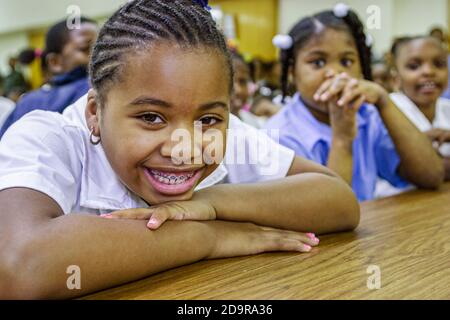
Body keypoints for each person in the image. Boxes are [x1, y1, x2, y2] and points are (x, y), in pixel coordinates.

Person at [0, 0, 359, 299]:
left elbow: (339, 200)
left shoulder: (222, 132)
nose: (184, 147)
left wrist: (208, 204)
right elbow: (19, 265)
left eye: (209, 119)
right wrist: (209, 236)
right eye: (152, 117)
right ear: (95, 112)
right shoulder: (46, 138)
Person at [265, 4, 444, 202]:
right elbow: (329, 215)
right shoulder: (280, 136)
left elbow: (431, 175)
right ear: (291, 72)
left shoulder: (367, 116)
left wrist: (383, 100)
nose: (335, 73)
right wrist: (342, 139)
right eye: (318, 62)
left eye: (347, 61)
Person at [0, 17, 98, 138]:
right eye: (86, 49)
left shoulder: (27, 101)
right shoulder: (92, 88)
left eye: (104, 47)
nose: (100, 55)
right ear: (55, 62)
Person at [389, 36, 450, 181]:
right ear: (396, 79)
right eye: (414, 66)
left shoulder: (447, 107)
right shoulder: (389, 110)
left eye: (439, 64)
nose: (428, 72)